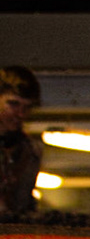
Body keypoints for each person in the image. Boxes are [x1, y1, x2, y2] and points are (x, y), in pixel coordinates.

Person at [1, 66, 43, 219]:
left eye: (27, 107)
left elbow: (23, 203)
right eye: (13, 104)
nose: (20, 114)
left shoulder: (30, 151)